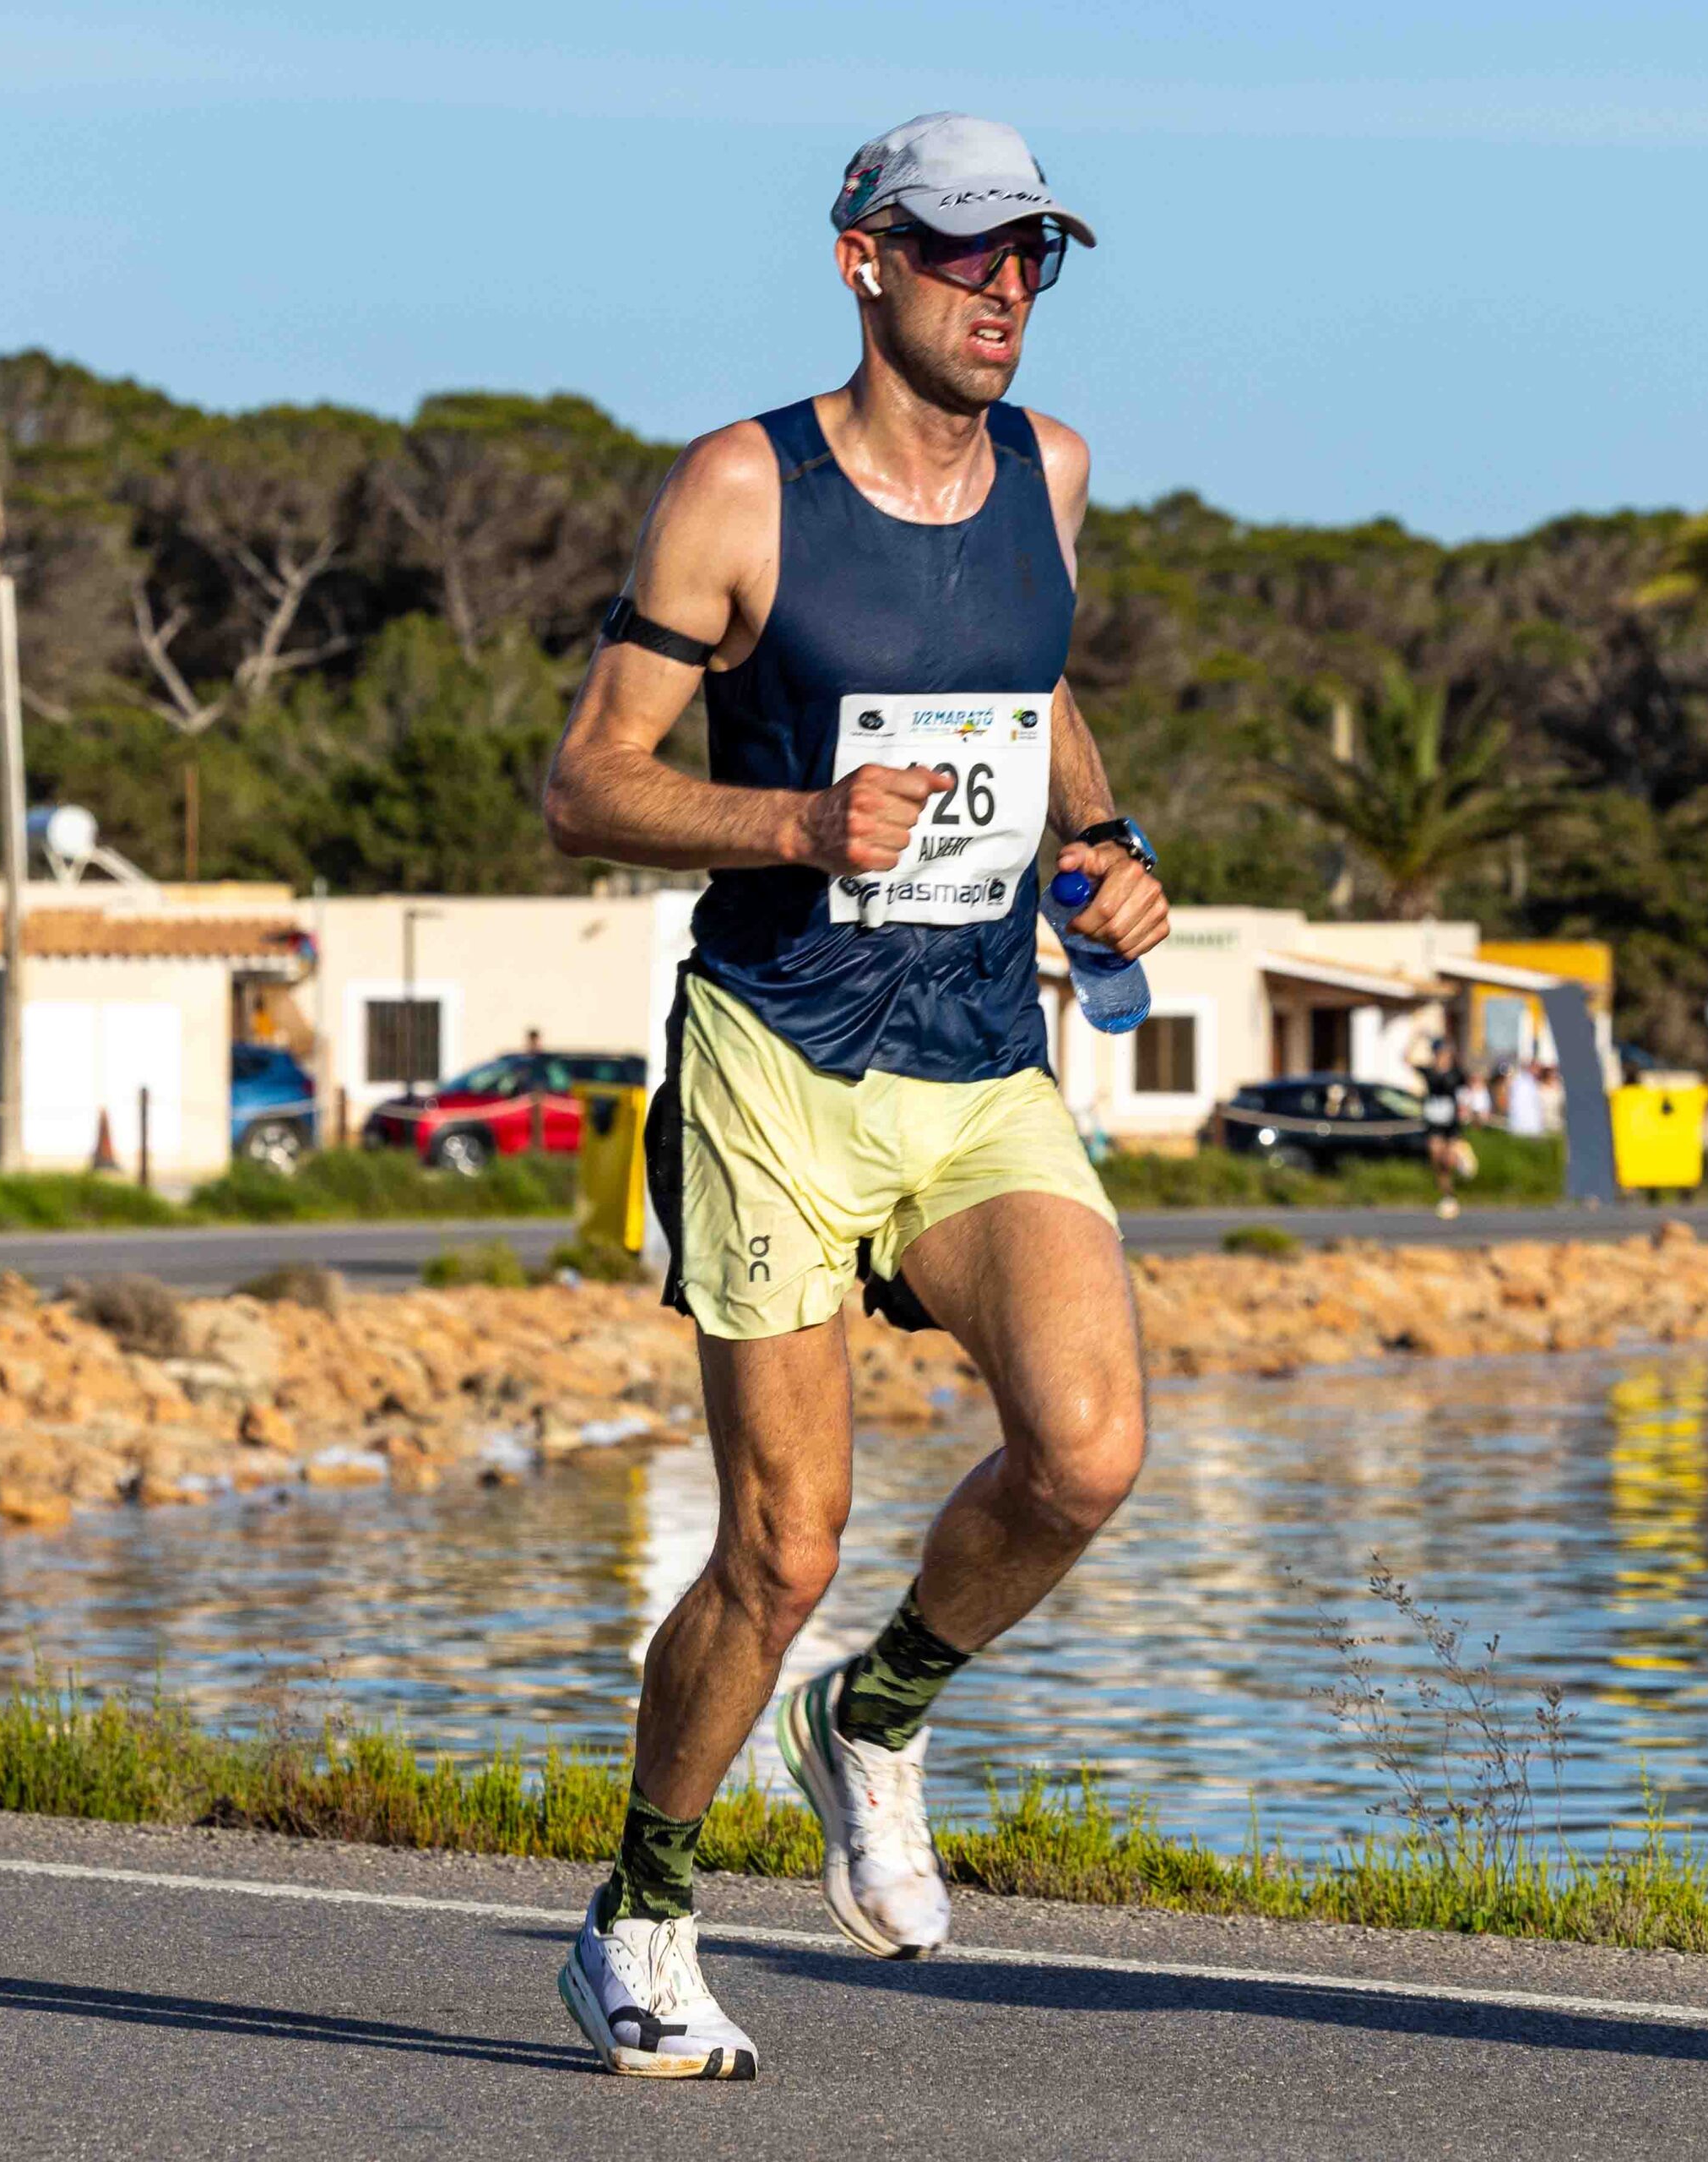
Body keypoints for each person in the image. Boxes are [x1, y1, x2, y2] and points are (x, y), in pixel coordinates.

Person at [541, 111, 1167, 2081]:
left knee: (1085, 1449)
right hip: (778, 1057)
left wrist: (1102, 840)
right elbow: (586, 783)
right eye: (964, 251)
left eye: (1029, 256)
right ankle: (639, 1917)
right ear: (862, 258)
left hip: (978, 1054)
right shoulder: (743, 487)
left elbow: (1031, 684)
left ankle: (871, 1714)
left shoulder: (1050, 471)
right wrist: (799, 821)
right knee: (780, 1545)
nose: (1003, 289)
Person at [1416, 1038, 1465, 1219]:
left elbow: (1467, 1091)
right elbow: (1406, 1059)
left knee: (1449, 1160)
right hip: (1434, 1123)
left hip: (1450, 1124)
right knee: (1437, 1159)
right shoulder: (1429, 1072)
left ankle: (1461, 1161)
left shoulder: (1457, 1074)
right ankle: (1448, 1196)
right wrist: (1415, 1037)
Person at [1505, 1058, 1545, 1138]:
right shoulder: (1520, 1081)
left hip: (1531, 1128)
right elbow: (1518, 1105)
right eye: (1536, 1068)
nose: (1539, 1072)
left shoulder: (1532, 1082)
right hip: (1523, 1127)